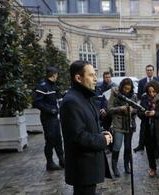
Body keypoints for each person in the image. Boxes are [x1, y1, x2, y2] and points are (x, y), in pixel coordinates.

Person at [60, 60, 113, 195]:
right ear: (78, 78)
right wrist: (103, 140)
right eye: (91, 75)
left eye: (95, 75)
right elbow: (77, 137)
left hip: (90, 165)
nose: (96, 79)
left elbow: (91, 123)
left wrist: (103, 131)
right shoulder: (71, 101)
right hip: (83, 168)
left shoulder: (86, 96)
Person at [33, 66, 64, 171]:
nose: (57, 77)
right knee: (50, 140)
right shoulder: (42, 86)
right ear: (54, 75)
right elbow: (36, 102)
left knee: (58, 139)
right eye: (57, 75)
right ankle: (49, 163)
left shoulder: (53, 86)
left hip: (55, 117)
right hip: (48, 118)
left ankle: (62, 160)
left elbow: (57, 99)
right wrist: (50, 110)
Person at [107, 78, 138, 177]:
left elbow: (137, 109)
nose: (126, 90)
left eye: (129, 89)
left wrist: (132, 110)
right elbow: (109, 109)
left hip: (129, 124)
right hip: (118, 124)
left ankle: (126, 166)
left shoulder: (133, 96)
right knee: (117, 145)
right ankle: (114, 167)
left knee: (128, 147)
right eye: (125, 88)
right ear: (122, 87)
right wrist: (120, 108)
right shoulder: (115, 94)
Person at [134, 64, 159, 152]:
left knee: (155, 128)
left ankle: (156, 146)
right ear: (146, 71)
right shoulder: (142, 81)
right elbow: (139, 94)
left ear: (153, 71)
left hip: (155, 106)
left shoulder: (157, 80)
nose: (149, 71)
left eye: (150, 70)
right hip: (145, 105)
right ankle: (141, 145)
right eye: (148, 70)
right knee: (143, 127)